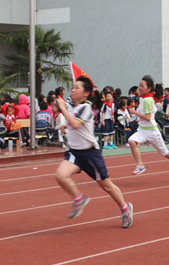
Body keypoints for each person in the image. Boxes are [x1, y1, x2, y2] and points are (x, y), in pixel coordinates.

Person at [54, 76, 133, 227]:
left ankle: (125, 208)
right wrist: (65, 125)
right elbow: (72, 123)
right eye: (73, 87)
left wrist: (63, 109)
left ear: (86, 93)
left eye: (77, 87)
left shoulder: (86, 108)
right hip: (75, 152)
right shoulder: (71, 106)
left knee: (106, 186)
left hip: (90, 154)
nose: (73, 89)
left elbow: (76, 124)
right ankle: (79, 199)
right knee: (60, 175)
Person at [128, 75, 169, 176]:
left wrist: (134, 112)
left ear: (149, 88)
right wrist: (138, 119)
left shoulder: (148, 100)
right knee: (132, 142)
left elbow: (147, 117)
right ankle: (140, 165)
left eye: (142, 86)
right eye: (139, 86)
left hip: (152, 132)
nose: (140, 88)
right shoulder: (143, 98)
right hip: (142, 130)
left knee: (164, 152)